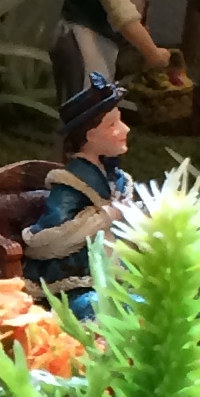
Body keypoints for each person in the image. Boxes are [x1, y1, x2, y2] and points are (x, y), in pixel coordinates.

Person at [22, 71, 139, 313]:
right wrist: (105, 217)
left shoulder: (117, 180)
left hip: (118, 275)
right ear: (90, 135)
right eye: (113, 125)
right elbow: (45, 242)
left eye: (120, 121)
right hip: (79, 282)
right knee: (101, 310)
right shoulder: (71, 183)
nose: (125, 129)